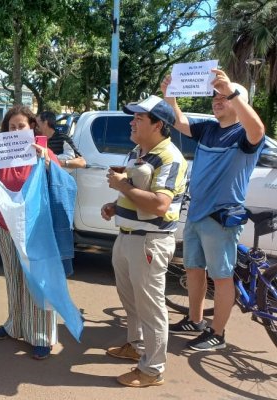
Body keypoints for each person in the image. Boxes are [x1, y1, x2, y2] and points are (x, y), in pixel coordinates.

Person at [161, 69, 265, 350]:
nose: (217, 100)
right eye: (215, 96)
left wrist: (231, 90)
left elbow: (258, 129)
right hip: (196, 212)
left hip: (220, 218)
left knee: (221, 277)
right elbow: (181, 122)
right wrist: (171, 99)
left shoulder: (244, 134)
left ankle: (217, 334)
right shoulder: (208, 129)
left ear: (237, 100)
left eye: (224, 97)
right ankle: (195, 320)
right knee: (194, 270)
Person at [101, 95, 187, 387]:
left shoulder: (169, 157)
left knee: (150, 307)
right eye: (133, 117)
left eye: (139, 118)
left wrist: (122, 185)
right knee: (131, 300)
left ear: (158, 125)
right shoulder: (138, 151)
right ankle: (136, 347)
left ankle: (152, 370)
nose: (132, 122)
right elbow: (134, 190)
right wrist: (116, 203)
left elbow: (160, 205)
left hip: (150, 241)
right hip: (127, 237)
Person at [0, 105, 62, 360]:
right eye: (11, 127)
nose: (16, 130)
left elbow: (57, 179)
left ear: (32, 127)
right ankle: (16, 326)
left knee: (38, 284)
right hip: (5, 228)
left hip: (35, 232)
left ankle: (41, 335)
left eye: (21, 126)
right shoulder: (1, 155)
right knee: (14, 281)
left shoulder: (42, 153)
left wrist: (44, 158)